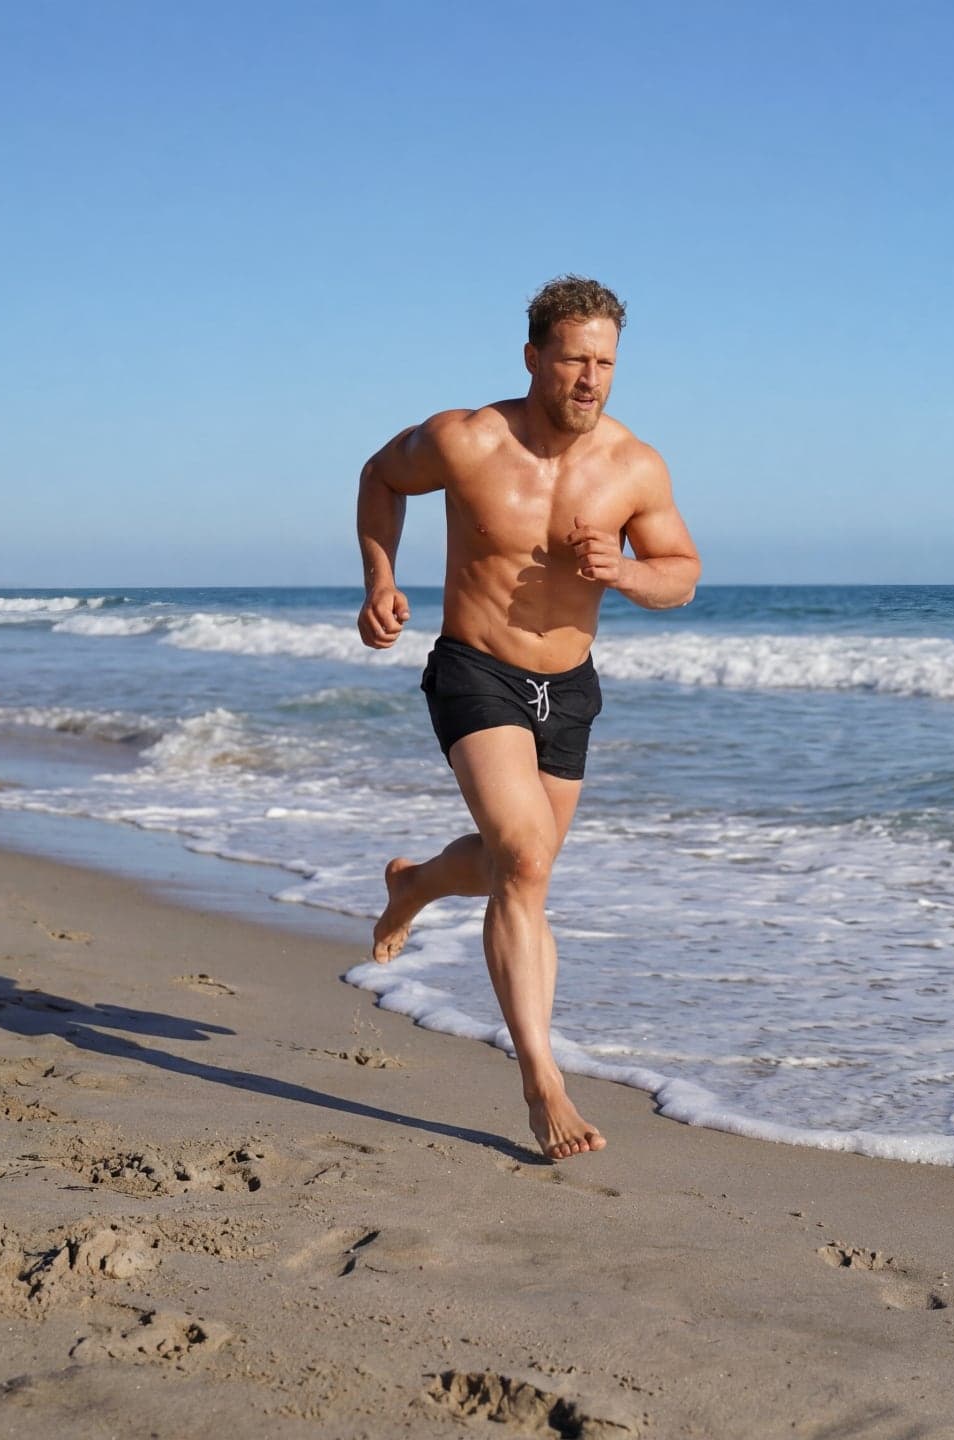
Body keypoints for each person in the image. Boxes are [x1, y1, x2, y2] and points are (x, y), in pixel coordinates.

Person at [353, 275, 700, 1160]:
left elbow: (681, 572)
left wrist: (622, 573)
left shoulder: (634, 466)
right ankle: (540, 1078)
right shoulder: (466, 440)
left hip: (569, 688)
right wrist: (381, 581)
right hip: (476, 671)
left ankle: (418, 883)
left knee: (521, 868)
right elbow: (380, 478)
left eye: (607, 364)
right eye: (575, 360)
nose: (592, 379)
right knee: (528, 855)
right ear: (534, 357)